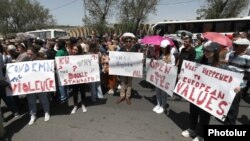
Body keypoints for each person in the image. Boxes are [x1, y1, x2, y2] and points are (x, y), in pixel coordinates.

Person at [181, 42, 221, 141]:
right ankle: (192, 128)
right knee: (193, 111)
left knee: (204, 115)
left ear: (215, 52)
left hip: (208, 94)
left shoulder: (219, 65)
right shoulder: (200, 60)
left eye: (208, 51)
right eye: (204, 50)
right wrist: (183, 75)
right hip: (196, 91)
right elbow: (191, 71)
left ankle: (201, 135)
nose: (205, 52)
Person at [223, 38, 250, 125]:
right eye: (234, 45)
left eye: (236, 45)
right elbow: (229, 68)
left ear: (243, 47)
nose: (233, 46)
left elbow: (247, 75)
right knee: (226, 106)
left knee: (233, 110)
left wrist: (241, 87)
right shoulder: (230, 55)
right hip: (228, 84)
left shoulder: (248, 58)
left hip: (237, 87)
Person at [26, 45, 50, 125]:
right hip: (30, 85)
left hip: (40, 84)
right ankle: (33, 115)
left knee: (43, 99)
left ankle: (46, 112)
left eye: (31, 54)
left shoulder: (42, 61)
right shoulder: (26, 62)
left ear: (35, 54)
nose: (29, 56)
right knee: (31, 101)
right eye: (28, 54)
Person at [152, 40, 175, 114]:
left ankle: (163, 106)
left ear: (168, 47)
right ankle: (158, 104)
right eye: (162, 47)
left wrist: (166, 64)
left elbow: (173, 67)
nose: (163, 49)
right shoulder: (161, 55)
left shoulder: (171, 56)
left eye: (164, 48)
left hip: (166, 78)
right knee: (158, 91)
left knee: (163, 93)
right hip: (159, 76)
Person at [116, 33, 139, 105]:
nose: (128, 43)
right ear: (125, 42)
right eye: (127, 41)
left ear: (132, 42)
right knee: (122, 83)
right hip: (123, 69)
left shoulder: (134, 49)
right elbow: (116, 57)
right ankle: (122, 96)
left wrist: (140, 60)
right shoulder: (122, 49)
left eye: (130, 41)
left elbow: (137, 58)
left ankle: (127, 97)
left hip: (131, 70)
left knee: (129, 83)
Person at [70, 45, 87, 114]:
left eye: (76, 50)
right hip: (74, 78)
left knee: (83, 91)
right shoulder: (69, 58)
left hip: (82, 78)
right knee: (74, 92)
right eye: (73, 49)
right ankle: (75, 105)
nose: (74, 51)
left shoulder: (83, 58)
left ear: (79, 50)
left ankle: (83, 104)